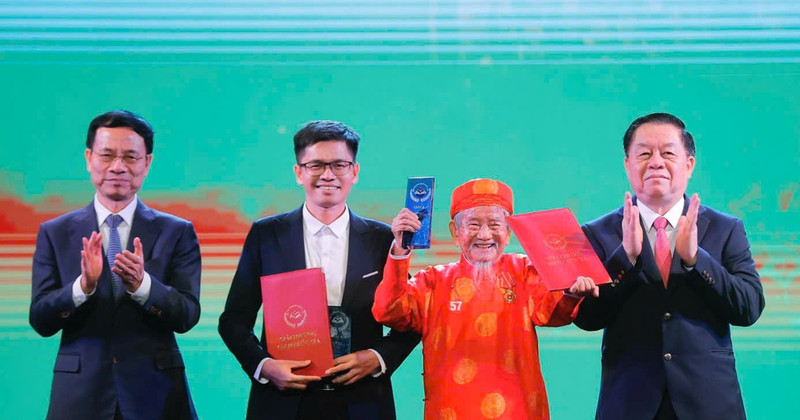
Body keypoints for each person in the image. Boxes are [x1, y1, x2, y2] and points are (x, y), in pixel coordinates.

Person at [218, 120, 419, 420]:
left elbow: (412, 318)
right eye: (315, 165)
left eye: (339, 164)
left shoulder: (383, 239)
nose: (328, 175)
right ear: (298, 172)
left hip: (362, 400)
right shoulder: (267, 234)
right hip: (283, 400)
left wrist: (377, 358)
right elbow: (233, 320)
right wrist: (264, 366)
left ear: (355, 172)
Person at [574, 113, 765, 419]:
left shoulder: (725, 229)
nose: (656, 162)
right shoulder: (599, 232)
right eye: (644, 153)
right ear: (627, 165)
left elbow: (749, 308)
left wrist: (696, 259)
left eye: (668, 153)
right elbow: (586, 317)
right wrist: (626, 258)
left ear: (688, 165)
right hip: (629, 402)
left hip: (709, 402)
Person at [372, 178, 599, 419]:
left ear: (508, 232)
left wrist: (571, 294)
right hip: (450, 410)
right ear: (454, 232)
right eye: (473, 225)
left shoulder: (524, 271)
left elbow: (550, 313)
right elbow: (388, 311)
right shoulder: (432, 281)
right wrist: (400, 250)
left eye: (494, 224)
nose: (484, 234)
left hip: (519, 409)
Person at [29, 110, 202, 419]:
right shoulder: (55, 232)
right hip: (80, 396)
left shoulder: (177, 231)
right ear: (89, 157)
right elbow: (41, 320)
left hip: (157, 395)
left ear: (147, 162)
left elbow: (187, 315)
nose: (118, 167)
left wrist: (143, 286)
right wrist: (83, 287)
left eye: (131, 157)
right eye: (107, 155)